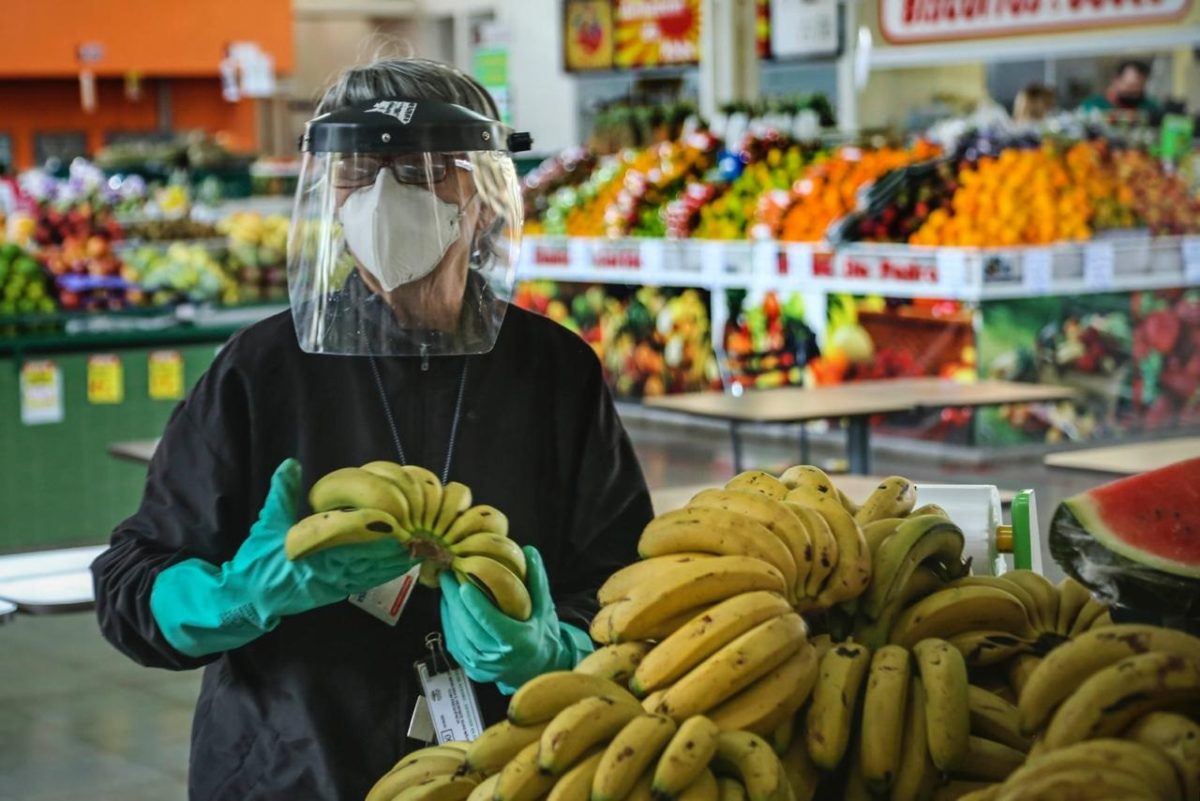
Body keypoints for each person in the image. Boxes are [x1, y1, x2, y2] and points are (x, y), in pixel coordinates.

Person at [91, 57, 652, 800]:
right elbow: (128, 584)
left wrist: (551, 646)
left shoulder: (551, 371)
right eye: (361, 171)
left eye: (423, 171)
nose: (386, 197)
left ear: (484, 195)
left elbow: (629, 582)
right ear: (328, 195)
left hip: (503, 768)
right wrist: (234, 596)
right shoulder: (263, 369)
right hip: (290, 769)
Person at [1080, 60, 1162, 119]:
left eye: (1140, 86)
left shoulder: (1149, 106)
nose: (1135, 90)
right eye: (1130, 85)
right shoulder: (1093, 105)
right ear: (1116, 81)